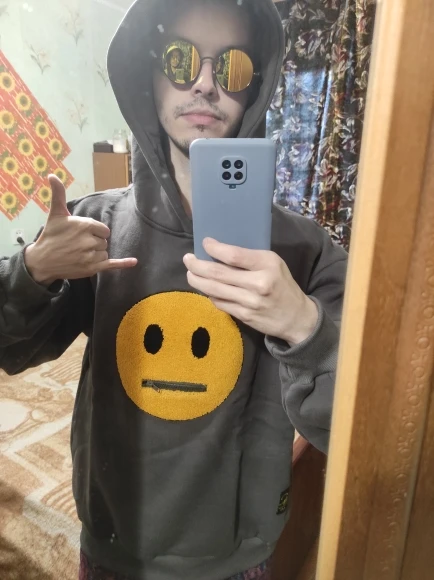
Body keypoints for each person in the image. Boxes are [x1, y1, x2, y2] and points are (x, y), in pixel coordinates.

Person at [0, 0, 347, 579]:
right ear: (150, 73)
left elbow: (356, 429)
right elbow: (10, 351)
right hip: (114, 542)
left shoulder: (306, 251)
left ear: (256, 87)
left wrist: (301, 325)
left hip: (237, 555)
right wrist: (33, 270)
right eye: (181, 60)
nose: (206, 83)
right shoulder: (92, 228)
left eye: (232, 67)